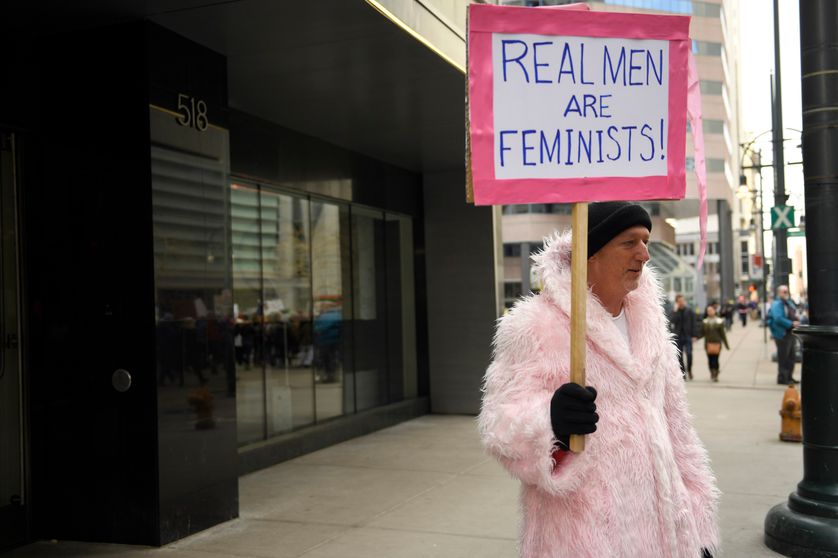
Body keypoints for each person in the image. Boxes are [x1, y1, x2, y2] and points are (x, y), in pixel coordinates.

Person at [479, 202, 719, 558]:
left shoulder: (651, 326)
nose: (644, 254)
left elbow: (679, 433)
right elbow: (500, 428)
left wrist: (698, 531)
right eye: (630, 242)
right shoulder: (535, 325)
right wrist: (550, 422)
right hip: (584, 536)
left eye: (646, 241)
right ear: (591, 255)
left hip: (665, 532)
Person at [768, 285, 800, 385]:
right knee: (784, 358)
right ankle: (783, 378)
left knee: (791, 357)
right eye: (784, 292)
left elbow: (794, 312)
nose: (786, 293)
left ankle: (789, 377)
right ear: (779, 293)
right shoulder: (777, 304)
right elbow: (778, 318)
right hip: (782, 334)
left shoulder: (788, 303)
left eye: (787, 291)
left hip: (790, 333)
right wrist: (791, 323)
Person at [698, 304, 730, 382]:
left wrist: (726, 345)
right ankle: (712, 372)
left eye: (711, 310)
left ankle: (716, 373)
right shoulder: (705, 321)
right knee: (710, 359)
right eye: (708, 311)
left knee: (716, 359)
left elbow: (723, 334)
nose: (710, 312)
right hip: (708, 344)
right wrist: (696, 337)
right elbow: (701, 333)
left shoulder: (719, 321)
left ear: (714, 311)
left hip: (717, 343)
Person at [669, 293, 697, 379]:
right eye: (679, 301)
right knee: (679, 356)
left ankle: (690, 370)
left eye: (683, 301)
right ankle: (683, 373)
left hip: (688, 335)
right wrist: (675, 311)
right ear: (677, 302)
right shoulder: (675, 311)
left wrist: (694, 335)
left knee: (689, 354)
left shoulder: (689, 311)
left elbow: (694, 323)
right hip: (678, 336)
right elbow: (671, 321)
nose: (682, 302)